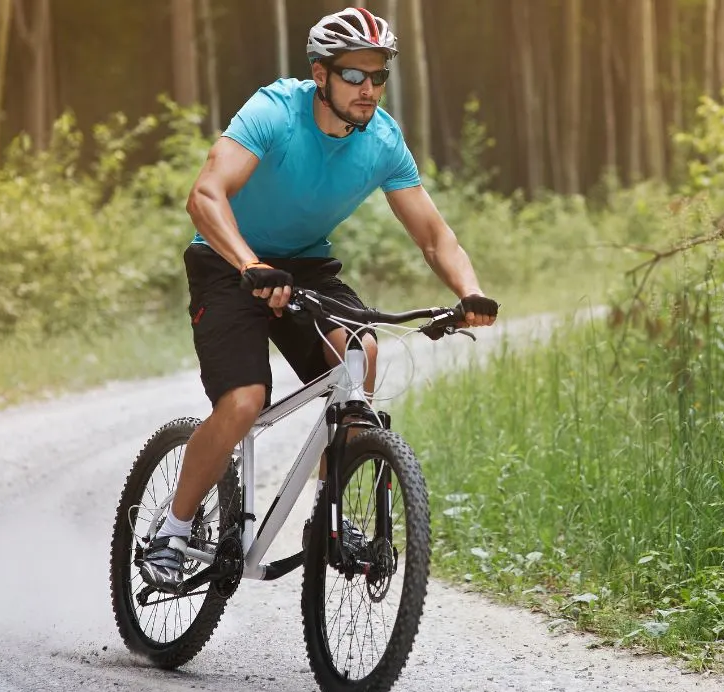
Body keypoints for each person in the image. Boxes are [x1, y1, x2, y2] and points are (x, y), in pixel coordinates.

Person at [140, 7, 499, 591]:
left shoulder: (382, 140)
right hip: (227, 260)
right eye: (354, 76)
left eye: (378, 76)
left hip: (304, 265)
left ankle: (328, 520)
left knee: (361, 353)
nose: (368, 89)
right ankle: (174, 531)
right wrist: (251, 263)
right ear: (321, 74)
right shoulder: (275, 112)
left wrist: (470, 291)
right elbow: (205, 195)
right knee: (244, 401)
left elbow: (434, 236)